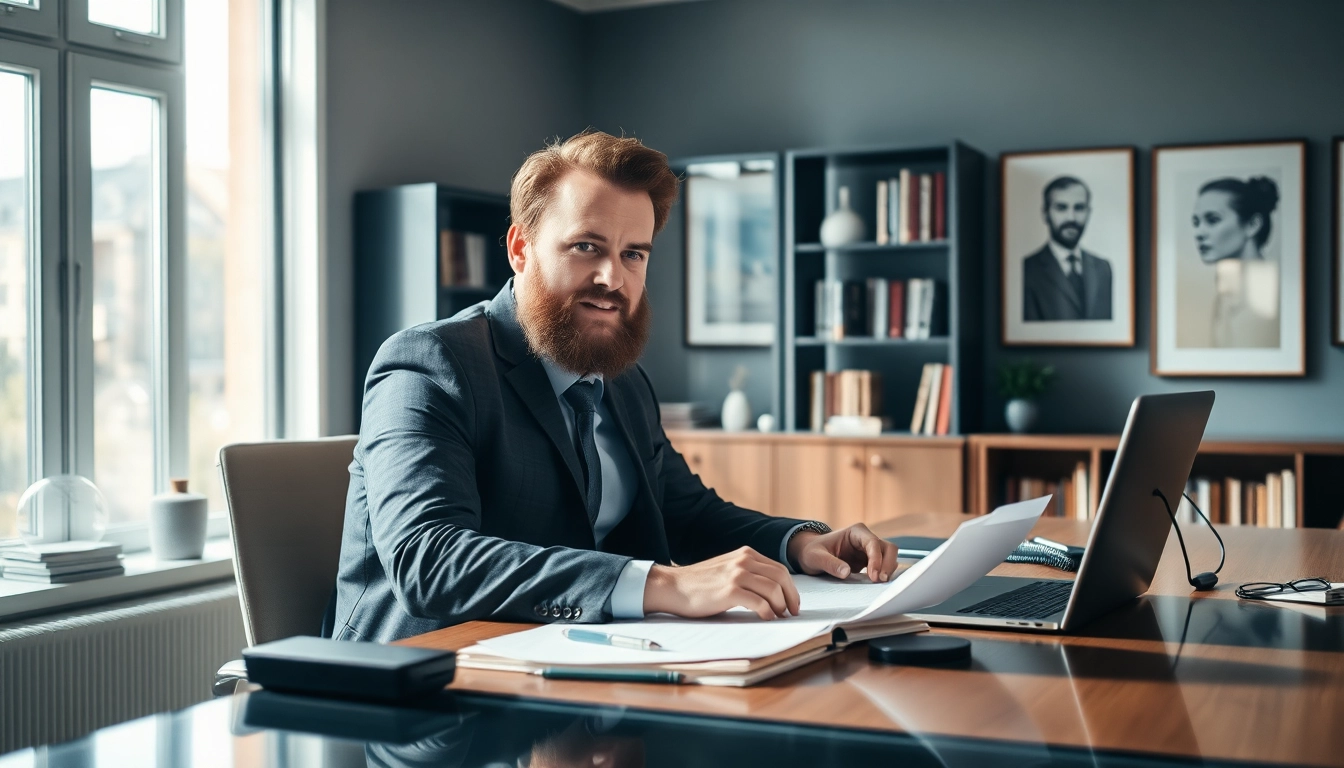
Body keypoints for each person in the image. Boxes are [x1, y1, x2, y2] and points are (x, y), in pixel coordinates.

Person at [330, 131, 899, 643]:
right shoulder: (431, 363)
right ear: (520, 248)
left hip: (569, 667)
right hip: (427, 690)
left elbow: (685, 511)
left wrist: (798, 543)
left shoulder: (621, 381)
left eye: (633, 254)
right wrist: (661, 585)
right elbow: (431, 559)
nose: (613, 279)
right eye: (587, 247)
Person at [1190, 176, 1280, 348]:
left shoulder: (1276, 295)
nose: (1199, 233)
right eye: (1196, 222)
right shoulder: (1225, 297)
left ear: (1252, 225)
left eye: (1213, 220)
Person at [1022, 176, 1113, 321]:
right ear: (1045, 213)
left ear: (1089, 212)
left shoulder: (1103, 268)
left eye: (1079, 208)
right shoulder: (1027, 269)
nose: (1071, 217)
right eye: (1061, 208)